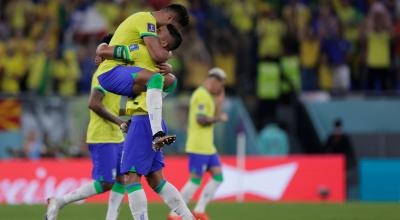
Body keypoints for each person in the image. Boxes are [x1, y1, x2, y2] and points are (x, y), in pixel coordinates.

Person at [46, 35, 126, 220]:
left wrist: (130, 110)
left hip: (116, 135)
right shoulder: (103, 74)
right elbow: (94, 104)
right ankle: (60, 201)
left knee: (123, 178)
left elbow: (112, 105)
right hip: (103, 135)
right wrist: (119, 121)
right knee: (106, 183)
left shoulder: (115, 72)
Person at [95, 4, 189, 149]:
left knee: (170, 81)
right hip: (111, 71)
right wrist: (167, 54)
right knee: (156, 78)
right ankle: (157, 133)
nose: (174, 32)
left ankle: (139, 113)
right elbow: (158, 54)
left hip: (126, 72)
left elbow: (158, 54)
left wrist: (166, 61)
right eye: (174, 28)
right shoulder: (146, 20)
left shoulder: (145, 42)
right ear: (169, 19)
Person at [169, 68, 228, 220]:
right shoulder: (201, 95)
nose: (221, 88)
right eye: (220, 84)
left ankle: (200, 210)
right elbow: (200, 119)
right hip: (198, 145)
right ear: (212, 81)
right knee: (195, 180)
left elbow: (213, 115)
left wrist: (219, 103)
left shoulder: (209, 96)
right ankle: (174, 213)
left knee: (218, 177)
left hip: (208, 146)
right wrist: (219, 118)